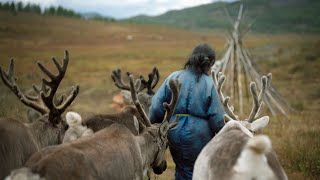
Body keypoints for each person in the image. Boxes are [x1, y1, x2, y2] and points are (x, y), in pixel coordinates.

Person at [148, 43, 225, 180]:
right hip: (199, 136)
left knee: (181, 167)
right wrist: (221, 134)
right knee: (196, 170)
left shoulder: (174, 77)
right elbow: (217, 118)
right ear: (211, 63)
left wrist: (156, 124)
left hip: (174, 130)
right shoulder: (209, 83)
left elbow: (155, 106)